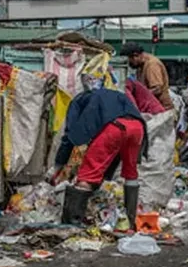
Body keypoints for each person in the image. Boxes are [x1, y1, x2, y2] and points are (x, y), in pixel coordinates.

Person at [52, 81, 148, 230]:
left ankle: (72, 224)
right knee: (131, 173)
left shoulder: (77, 103)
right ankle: (130, 221)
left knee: (87, 175)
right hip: (138, 128)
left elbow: (71, 136)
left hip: (114, 128)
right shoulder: (111, 96)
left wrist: (59, 164)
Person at [122, 43, 173, 110]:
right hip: (151, 108)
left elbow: (157, 89)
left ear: (135, 56)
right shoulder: (140, 66)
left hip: (161, 110)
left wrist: (139, 97)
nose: (129, 62)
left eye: (129, 59)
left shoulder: (152, 65)